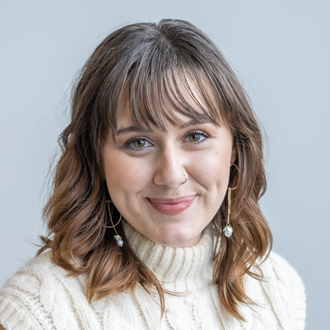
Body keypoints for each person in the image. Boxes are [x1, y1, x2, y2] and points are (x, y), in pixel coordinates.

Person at [0, 19, 306, 329]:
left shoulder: (278, 291)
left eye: (195, 136)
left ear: (235, 148)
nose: (171, 176)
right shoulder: (35, 314)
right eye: (138, 142)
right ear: (96, 157)